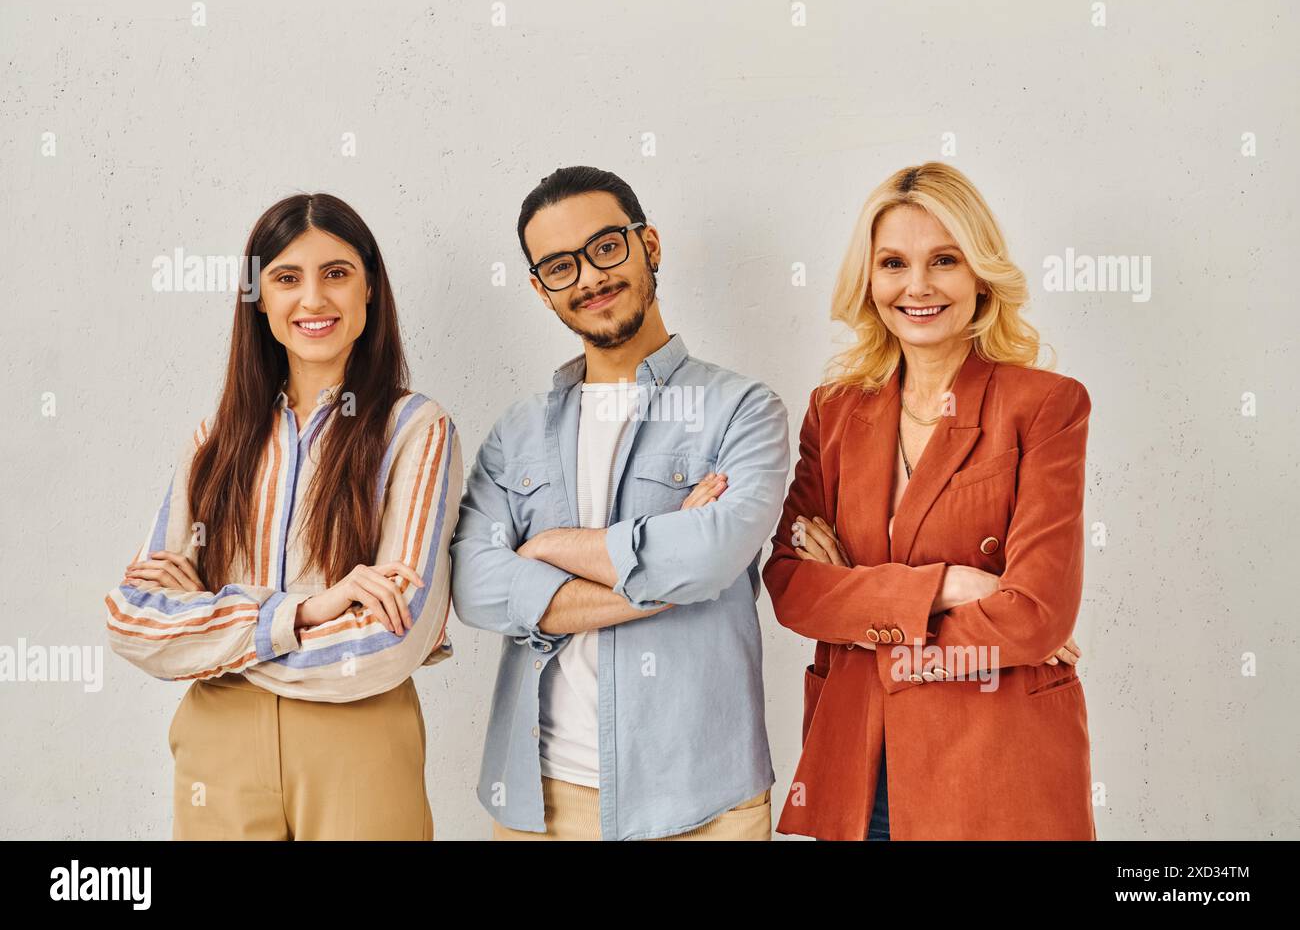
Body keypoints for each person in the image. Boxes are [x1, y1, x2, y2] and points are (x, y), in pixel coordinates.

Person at [105, 193, 461, 840]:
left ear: (371, 288)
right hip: (219, 748)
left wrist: (214, 634)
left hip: (358, 741)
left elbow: (393, 637)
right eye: (287, 278)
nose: (314, 300)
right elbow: (131, 619)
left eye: (337, 273)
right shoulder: (215, 441)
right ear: (259, 299)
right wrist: (300, 613)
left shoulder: (416, 430)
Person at [451, 165, 789, 840]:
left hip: (704, 800)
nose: (589, 278)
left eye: (606, 247)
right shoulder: (516, 434)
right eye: (560, 266)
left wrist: (549, 550)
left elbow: (715, 554)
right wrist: (668, 566)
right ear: (540, 289)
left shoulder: (742, 410)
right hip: (540, 801)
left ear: (649, 245)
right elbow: (472, 585)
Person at [766, 162, 1094, 840]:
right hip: (858, 772)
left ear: (979, 274)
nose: (917, 286)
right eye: (893, 263)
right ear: (870, 279)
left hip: (997, 765)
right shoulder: (833, 413)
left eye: (943, 259)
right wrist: (948, 585)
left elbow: (1035, 617)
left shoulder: (1045, 407)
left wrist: (863, 607)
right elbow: (793, 588)